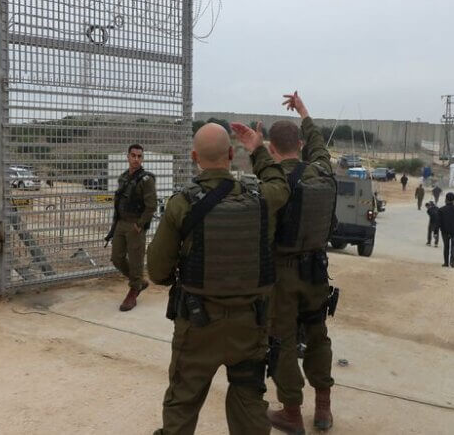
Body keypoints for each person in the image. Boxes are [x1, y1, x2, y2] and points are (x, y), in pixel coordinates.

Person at [147, 119, 289, 435]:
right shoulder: (262, 199)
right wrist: (258, 150)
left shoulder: (182, 204)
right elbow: (280, 183)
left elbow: (157, 271)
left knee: (183, 401)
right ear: (229, 154)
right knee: (249, 400)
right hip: (250, 325)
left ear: (195, 158)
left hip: (197, 324)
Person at [265, 93, 338, 433]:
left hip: (284, 274)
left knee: (283, 341)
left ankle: (292, 412)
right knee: (318, 334)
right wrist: (304, 110)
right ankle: (323, 408)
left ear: (273, 148)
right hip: (317, 271)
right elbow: (320, 144)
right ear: (300, 144)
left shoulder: (275, 180)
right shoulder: (321, 171)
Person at [106, 143, 157, 311]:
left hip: (135, 225)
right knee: (117, 258)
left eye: (139, 156)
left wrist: (140, 225)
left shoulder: (146, 180)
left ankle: (133, 293)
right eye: (133, 155)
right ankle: (139, 282)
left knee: (136, 261)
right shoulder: (123, 177)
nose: (136, 159)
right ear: (127, 157)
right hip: (121, 223)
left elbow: (151, 206)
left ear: (142, 158)